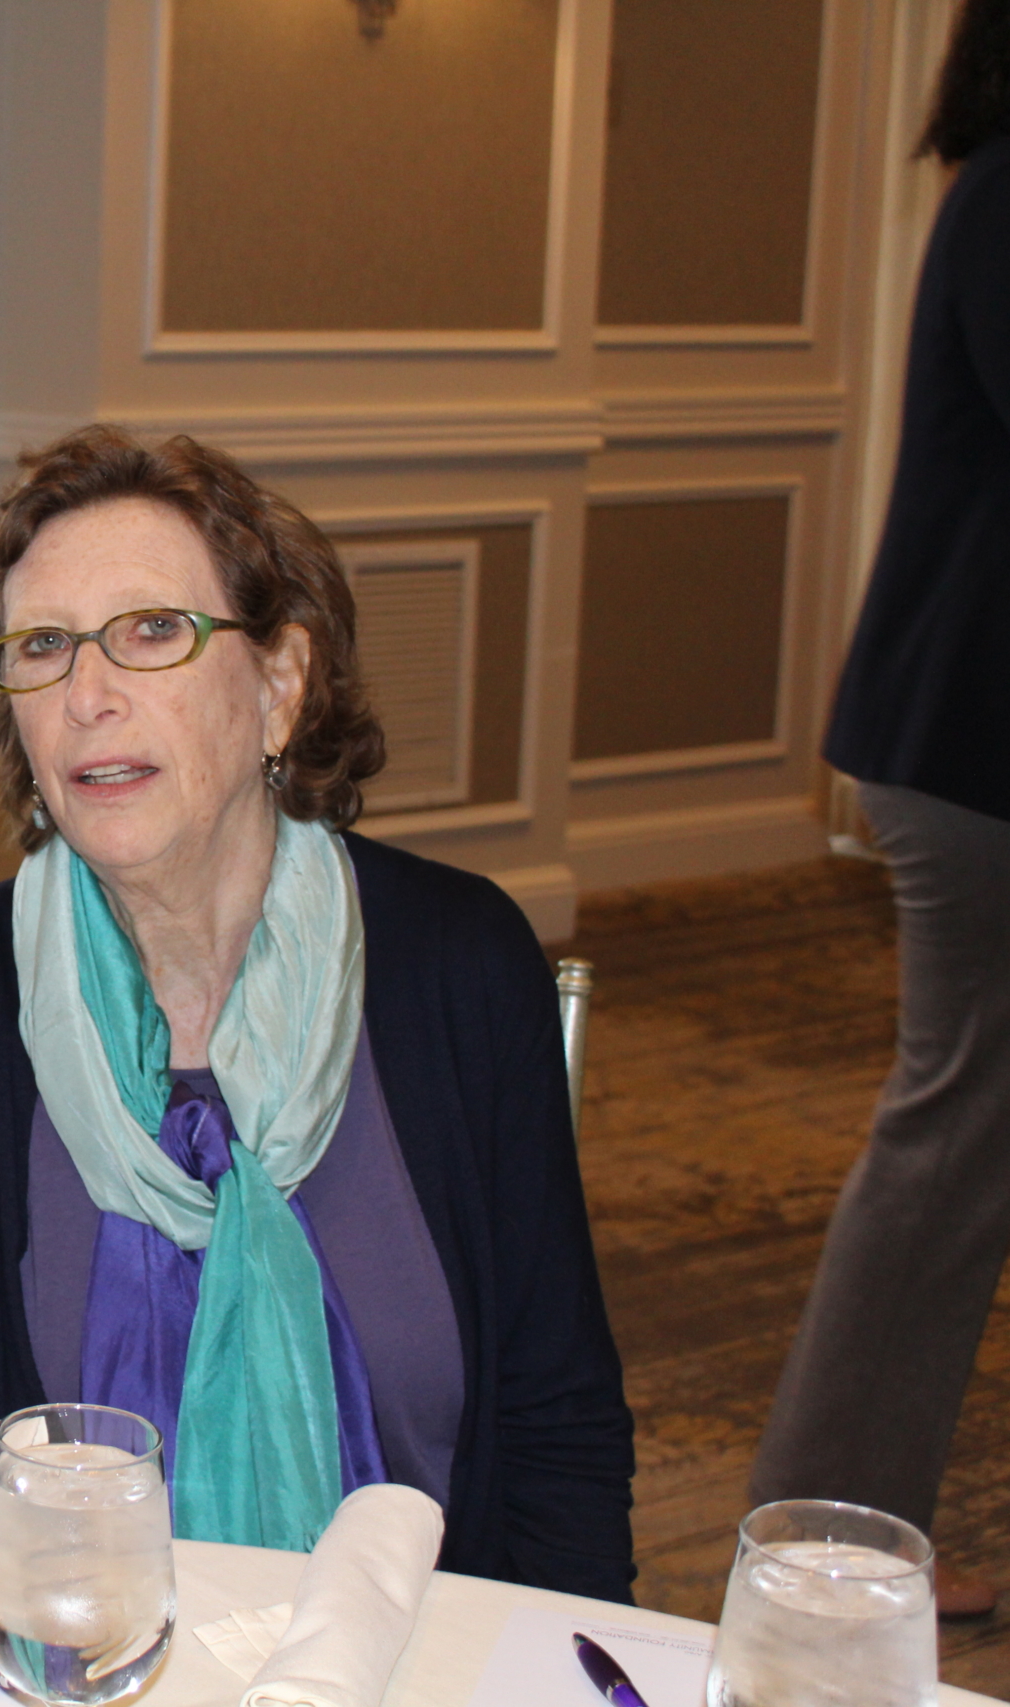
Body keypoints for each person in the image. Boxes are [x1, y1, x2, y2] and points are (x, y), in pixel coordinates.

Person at [0, 426, 635, 1601]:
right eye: (43, 647)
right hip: (82, 1651)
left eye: (151, 632)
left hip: (431, 1650)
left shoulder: (457, 963)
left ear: (278, 686)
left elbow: (557, 1428)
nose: (87, 697)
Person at [749, 0, 1010, 1618]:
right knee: (955, 1138)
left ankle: (844, 1529)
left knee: (967, 1140)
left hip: (962, 741)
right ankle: (826, 1544)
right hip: (973, 750)